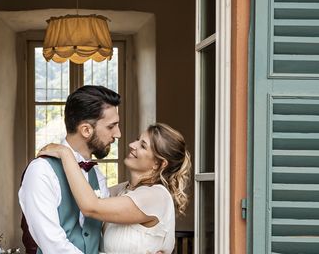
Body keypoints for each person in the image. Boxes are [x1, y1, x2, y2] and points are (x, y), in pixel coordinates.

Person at [39, 123, 191, 254]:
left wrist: (66, 154)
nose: (132, 145)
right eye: (138, 140)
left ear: (159, 163)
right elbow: (82, 196)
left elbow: (91, 207)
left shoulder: (156, 196)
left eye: (143, 145)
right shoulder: (121, 190)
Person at [19, 85, 121, 254]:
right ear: (86, 130)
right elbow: (53, 245)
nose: (118, 134)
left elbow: (100, 240)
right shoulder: (41, 171)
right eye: (111, 126)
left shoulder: (97, 175)